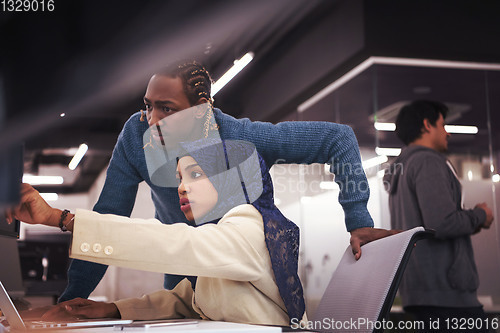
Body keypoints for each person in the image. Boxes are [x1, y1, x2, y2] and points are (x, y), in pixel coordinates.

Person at [55, 60, 393, 302]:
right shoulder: (136, 137)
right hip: (182, 275)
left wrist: (359, 221)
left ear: (201, 109)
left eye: (167, 109)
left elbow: (339, 139)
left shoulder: (240, 138)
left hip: (246, 280)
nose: (152, 121)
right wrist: (72, 302)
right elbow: (107, 217)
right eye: (148, 107)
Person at [8, 140, 306, 326]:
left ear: (232, 180)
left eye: (196, 174)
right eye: (180, 178)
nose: (181, 187)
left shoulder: (251, 225)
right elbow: (187, 302)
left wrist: (61, 218)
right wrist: (109, 310)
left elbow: (177, 244)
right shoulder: (224, 237)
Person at [383, 100, 494, 331]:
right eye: (443, 125)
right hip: (447, 296)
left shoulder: (402, 168)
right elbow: (442, 223)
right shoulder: (427, 161)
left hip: (421, 293)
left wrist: (467, 222)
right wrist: (480, 215)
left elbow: (427, 225)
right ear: (427, 125)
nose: (448, 133)